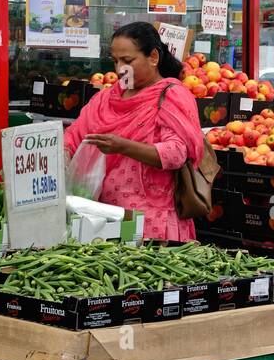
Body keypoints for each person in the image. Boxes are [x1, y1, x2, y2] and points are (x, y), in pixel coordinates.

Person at [65, 22, 206, 242]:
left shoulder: (171, 96)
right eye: (115, 60)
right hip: (103, 219)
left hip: (153, 223)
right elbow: (73, 138)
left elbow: (177, 153)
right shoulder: (105, 99)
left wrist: (123, 146)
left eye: (128, 61)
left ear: (153, 57)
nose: (120, 68)